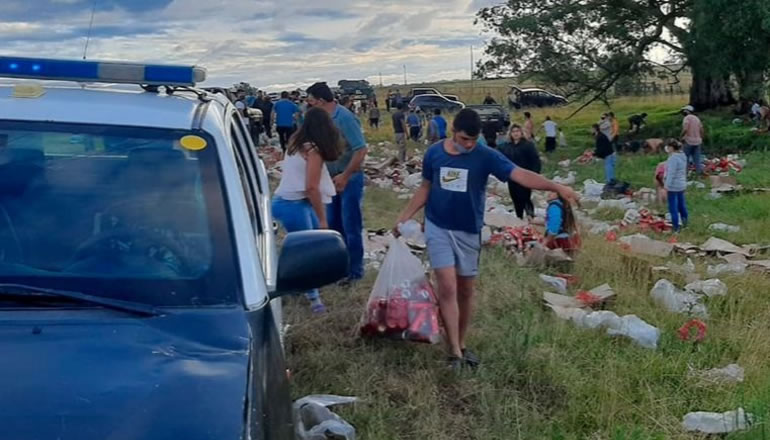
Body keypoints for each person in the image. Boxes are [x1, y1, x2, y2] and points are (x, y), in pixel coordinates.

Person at [394, 109, 578, 370]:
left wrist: (556, 187)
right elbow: (425, 187)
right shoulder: (435, 153)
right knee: (446, 286)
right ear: (453, 131)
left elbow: (520, 175)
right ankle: (454, 351)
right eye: (464, 139)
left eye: (473, 140)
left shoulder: (485, 156)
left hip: (468, 231)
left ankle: (462, 341)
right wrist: (404, 216)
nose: (469, 144)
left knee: (466, 290)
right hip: (438, 227)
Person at [272, 107, 343, 313]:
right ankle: (315, 301)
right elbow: (311, 187)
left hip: (285, 201)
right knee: (308, 253)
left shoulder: (296, 142)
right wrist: (322, 220)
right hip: (294, 205)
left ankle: (295, 289)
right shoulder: (313, 150)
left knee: (296, 250)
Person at [306, 82, 368, 282]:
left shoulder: (344, 118)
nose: (309, 105)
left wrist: (345, 175)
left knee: (351, 225)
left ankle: (355, 272)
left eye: (311, 102)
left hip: (349, 178)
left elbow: (361, 150)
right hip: (331, 179)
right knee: (333, 225)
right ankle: (339, 268)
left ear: (322, 101)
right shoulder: (323, 121)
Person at [497, 124, 542, 219]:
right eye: (513, 131)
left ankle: (530, 216)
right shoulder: (507, 146)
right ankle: (519, 218)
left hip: (526, 175)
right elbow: (500, 157)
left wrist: (535, 175)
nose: (515, 133)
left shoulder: (528, 145)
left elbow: (535, 160)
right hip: (512, 176)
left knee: (525, 197)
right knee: (515, 198)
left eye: (517, 131)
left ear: (521, 132)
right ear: (510, 133)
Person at [664, 139, 688, 232]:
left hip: (673, 185)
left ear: (671, 148)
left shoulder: (673, 158)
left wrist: (667, 185)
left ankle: (676, 227)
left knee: (673, 207)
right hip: (682, 183)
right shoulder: (683, 156)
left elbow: (671, 173)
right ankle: (685, 223)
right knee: (682, 205)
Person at [680, 105, 704, 176]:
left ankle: (685, 174)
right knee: (697, 159)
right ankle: (698, 174)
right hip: (698, 141)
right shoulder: (697, 118)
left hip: (688, 141)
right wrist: (701, 138)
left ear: (687, 111)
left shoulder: (686, 118)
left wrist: (680, 137)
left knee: (685, 158)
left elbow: (685, 129)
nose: (683, 112)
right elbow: (702, 130)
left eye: (684, 111)